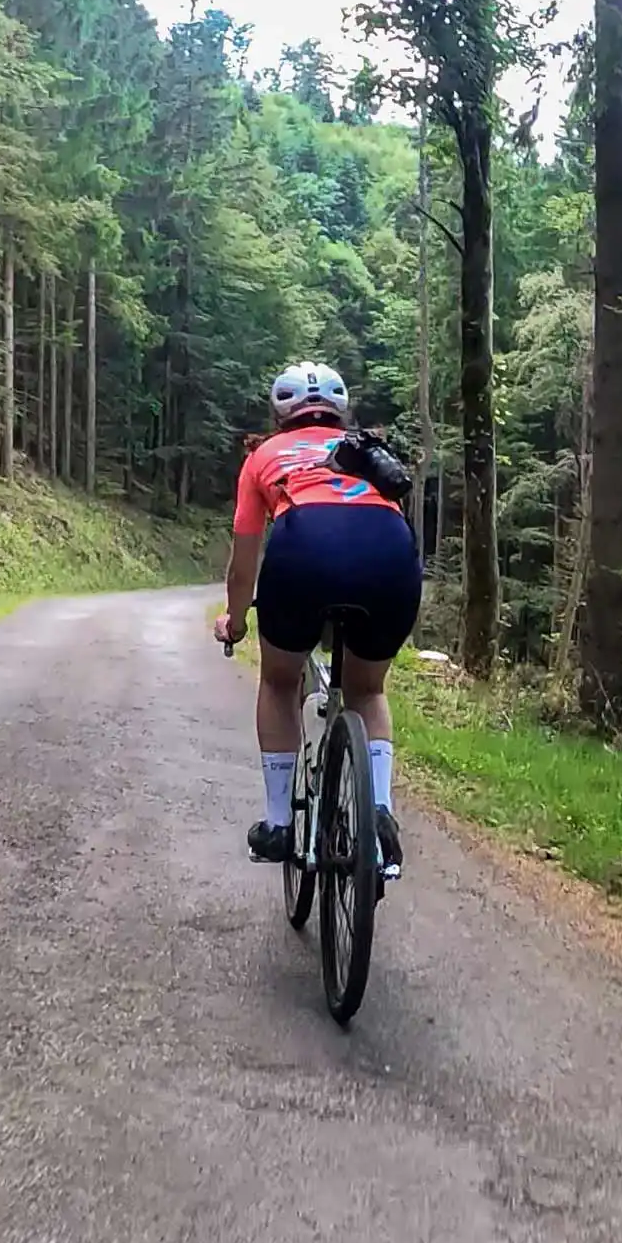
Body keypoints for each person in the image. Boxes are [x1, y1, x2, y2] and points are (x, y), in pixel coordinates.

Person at [213, 361, 423, 873]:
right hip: (390, 554)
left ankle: (279, 824)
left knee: (280, 683)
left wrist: (236, 621)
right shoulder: (372, 452)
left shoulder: (264, 455)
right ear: (341, 410)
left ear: (280, 412)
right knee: (368, 691)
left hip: (303, 547)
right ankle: (378, 828)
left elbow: (245, 562)